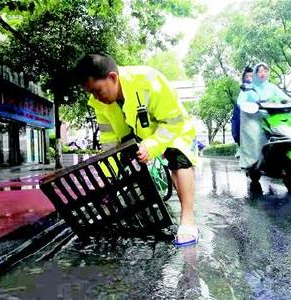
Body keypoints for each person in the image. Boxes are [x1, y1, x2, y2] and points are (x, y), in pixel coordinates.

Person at [72, 54, 199, 247]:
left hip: (174, 127)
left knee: (178, 158)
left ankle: (188, 219)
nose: (96, 97)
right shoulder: (99, 102)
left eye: (97, 90)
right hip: (139, 132)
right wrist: (107, 178)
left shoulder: (149, 80)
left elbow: (174, 122)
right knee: (121, 157)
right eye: (91, 93)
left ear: (113, 77)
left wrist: (152, 145)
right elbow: (110, 141)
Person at [237, 63, 288, 169]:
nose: (263, 73)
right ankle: (252, 163)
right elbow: (240, 101)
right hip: (255, 118)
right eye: (260, 71)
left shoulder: (272, 87)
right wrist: (249, 105)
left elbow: (285, 98)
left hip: (272, 116)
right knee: (254, 134)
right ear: (255, 74)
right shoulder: (249, 87)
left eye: (265, 71)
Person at [232, 66, 253, 146]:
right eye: (246, 76)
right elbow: (240, 102)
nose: (249, 78)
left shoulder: (261, 88)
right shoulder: (244, 89)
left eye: (251, 76)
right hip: (247, 116)